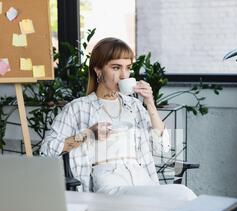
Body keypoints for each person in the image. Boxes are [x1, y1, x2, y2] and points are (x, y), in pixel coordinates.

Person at [40, 37, 196, 201]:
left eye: (128, 68)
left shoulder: (134, 106)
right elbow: (47, 151)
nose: (123, 75)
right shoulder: (77, 108)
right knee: (183, 195)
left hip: (140, 176)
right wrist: (88, 134)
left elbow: (162, 147)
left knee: (180, 196)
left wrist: (150, 103)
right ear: (98, 70)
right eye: (116, 67)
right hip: (108, 179)